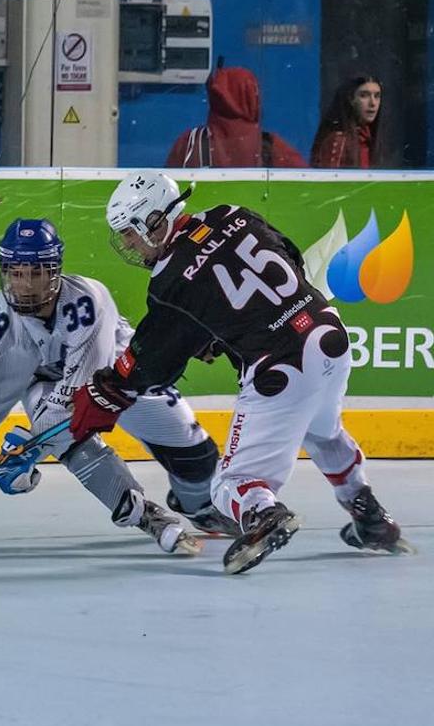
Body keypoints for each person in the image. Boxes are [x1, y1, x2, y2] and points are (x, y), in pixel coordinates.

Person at [71, 171, 412, 574]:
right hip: (327, 333)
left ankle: (263, 515)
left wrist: (112, 388)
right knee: (323, 431)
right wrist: (228, 326)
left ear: (155, 220)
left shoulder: (170, 279)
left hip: (280, 367)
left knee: (229, 485)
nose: (127, 242)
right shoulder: (232, 214)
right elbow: (290, 257)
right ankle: (369, 515)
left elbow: (153, 360)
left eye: (130, 231)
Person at [0, 218, 236, 557]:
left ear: (54, 272)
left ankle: (198, 504)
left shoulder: (87, 301)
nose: (25, 285)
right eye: (16, 272)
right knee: (72, 442)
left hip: (124, 379)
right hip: (49, 388)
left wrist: (29, 451)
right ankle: (146, 515)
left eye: (36, 272)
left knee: (197, 456)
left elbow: (83, 397)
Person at [165, 66, 306, 168]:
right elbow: (307, 185)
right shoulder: (272, 147)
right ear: (251, 97)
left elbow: (165, 190)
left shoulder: (189, 143)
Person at [311, 75, 382, 168]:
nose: (373, 103)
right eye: (364, 95)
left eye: (377, 96)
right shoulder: (338, 140)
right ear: (351, 99)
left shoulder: (369, 138)